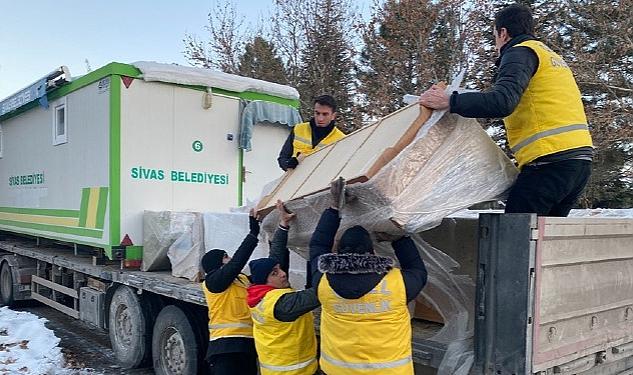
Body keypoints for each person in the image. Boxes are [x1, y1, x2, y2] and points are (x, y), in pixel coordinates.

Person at [419, 3, 593, 217]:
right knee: (541, 244)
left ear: (503, 33)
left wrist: (451, 102)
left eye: (495, 36)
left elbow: (502, 102)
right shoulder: (549, 56)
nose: (495, 44)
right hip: (578, 163)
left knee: (514, 238)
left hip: (548, 162)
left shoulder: (519, 52)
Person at [310, 178, 428, 375]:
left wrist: (334, 208)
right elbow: (418, 270)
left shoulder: (323, 283)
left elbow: (317, 246)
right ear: (372, 252)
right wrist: (399, 239)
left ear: (337, 252)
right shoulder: (397, 283)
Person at [247, 200, 320, 375]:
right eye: (275, 273)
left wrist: (283, 224)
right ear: (265, 281)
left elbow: (275, 256)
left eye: (279, 269)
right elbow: (319, 292)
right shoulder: (282, 304)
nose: (283, 274)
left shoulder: (259, 295)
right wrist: (325, 252)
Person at [200, 211, 261, 375]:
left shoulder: (242, 279)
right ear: (218, 263)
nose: (231, 258)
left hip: (247, 346)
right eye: (226, 256)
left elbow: (267, 275)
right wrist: (253, 234)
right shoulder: (213, 282)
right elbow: (236, 263)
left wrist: (281, 231)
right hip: (224, 349)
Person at [277, 94, 345, 171]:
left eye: (325, 114)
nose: (320, 118)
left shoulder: (341, 139)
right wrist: (289, 164)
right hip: (295, 180)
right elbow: (282, 158)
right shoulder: (298, 129)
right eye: (317, 113)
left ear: (333, 115)